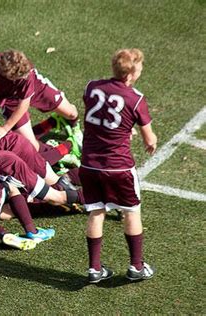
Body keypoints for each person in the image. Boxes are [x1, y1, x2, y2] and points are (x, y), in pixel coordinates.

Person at [80, 48, 157, 283]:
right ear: (131, 73)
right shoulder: (136, 99)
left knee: (96, 212)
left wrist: (124, 127)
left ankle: (94, 269)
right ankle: (136, 266)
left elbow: (101, 117)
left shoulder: (92, 86)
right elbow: (150, 139)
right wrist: (148, 142)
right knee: (132, 212)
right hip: (119, 168)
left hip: (90, 165)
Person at [0, 50, 82, 152]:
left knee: (70, 112)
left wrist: (5, 128)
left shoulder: (28, 77)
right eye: (21, 76)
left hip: (37, 88)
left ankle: (74, 127)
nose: (26, 76)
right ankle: (56, 150)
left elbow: (24, 104)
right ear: (7, 76)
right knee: (31, 145)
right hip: (9, 101)